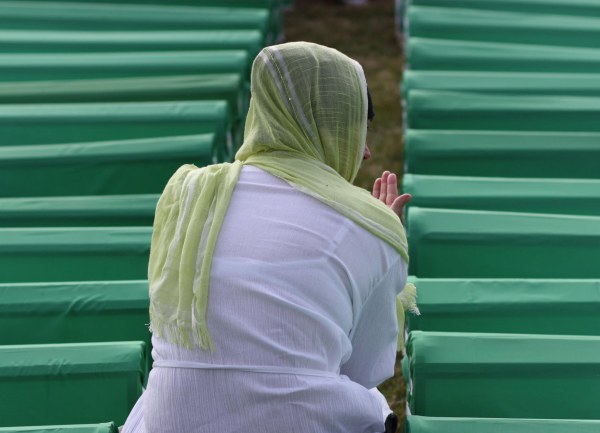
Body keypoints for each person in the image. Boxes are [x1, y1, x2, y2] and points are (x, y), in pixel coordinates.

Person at [122, 41, 415, 433]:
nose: (364, 152)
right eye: (356, 128)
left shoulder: (189, 195)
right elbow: (366, 370)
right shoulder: (367, 224)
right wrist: (384, 237)